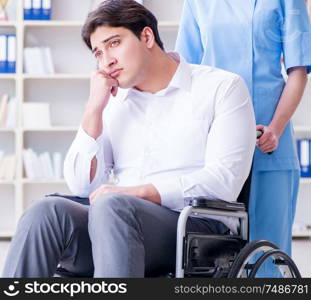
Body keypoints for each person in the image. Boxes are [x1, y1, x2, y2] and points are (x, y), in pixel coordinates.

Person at [2, 0, 256, 278]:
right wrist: (93, 109)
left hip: (192, 230)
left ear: (146, 36)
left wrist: (139, 192)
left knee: (113, 205)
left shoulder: (221, 87)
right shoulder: (113, 101)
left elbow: (225, 181)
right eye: (98, 53)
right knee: (46, 212)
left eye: (114, 44)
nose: (106, 60)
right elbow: (82, 186)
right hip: (112, 225)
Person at [175, 0, 311, 261]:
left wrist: (276, 128)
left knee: (268, 254)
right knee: (212, 253)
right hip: (212, 140)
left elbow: (298, 71)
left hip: (268, 139)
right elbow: (186, 72)